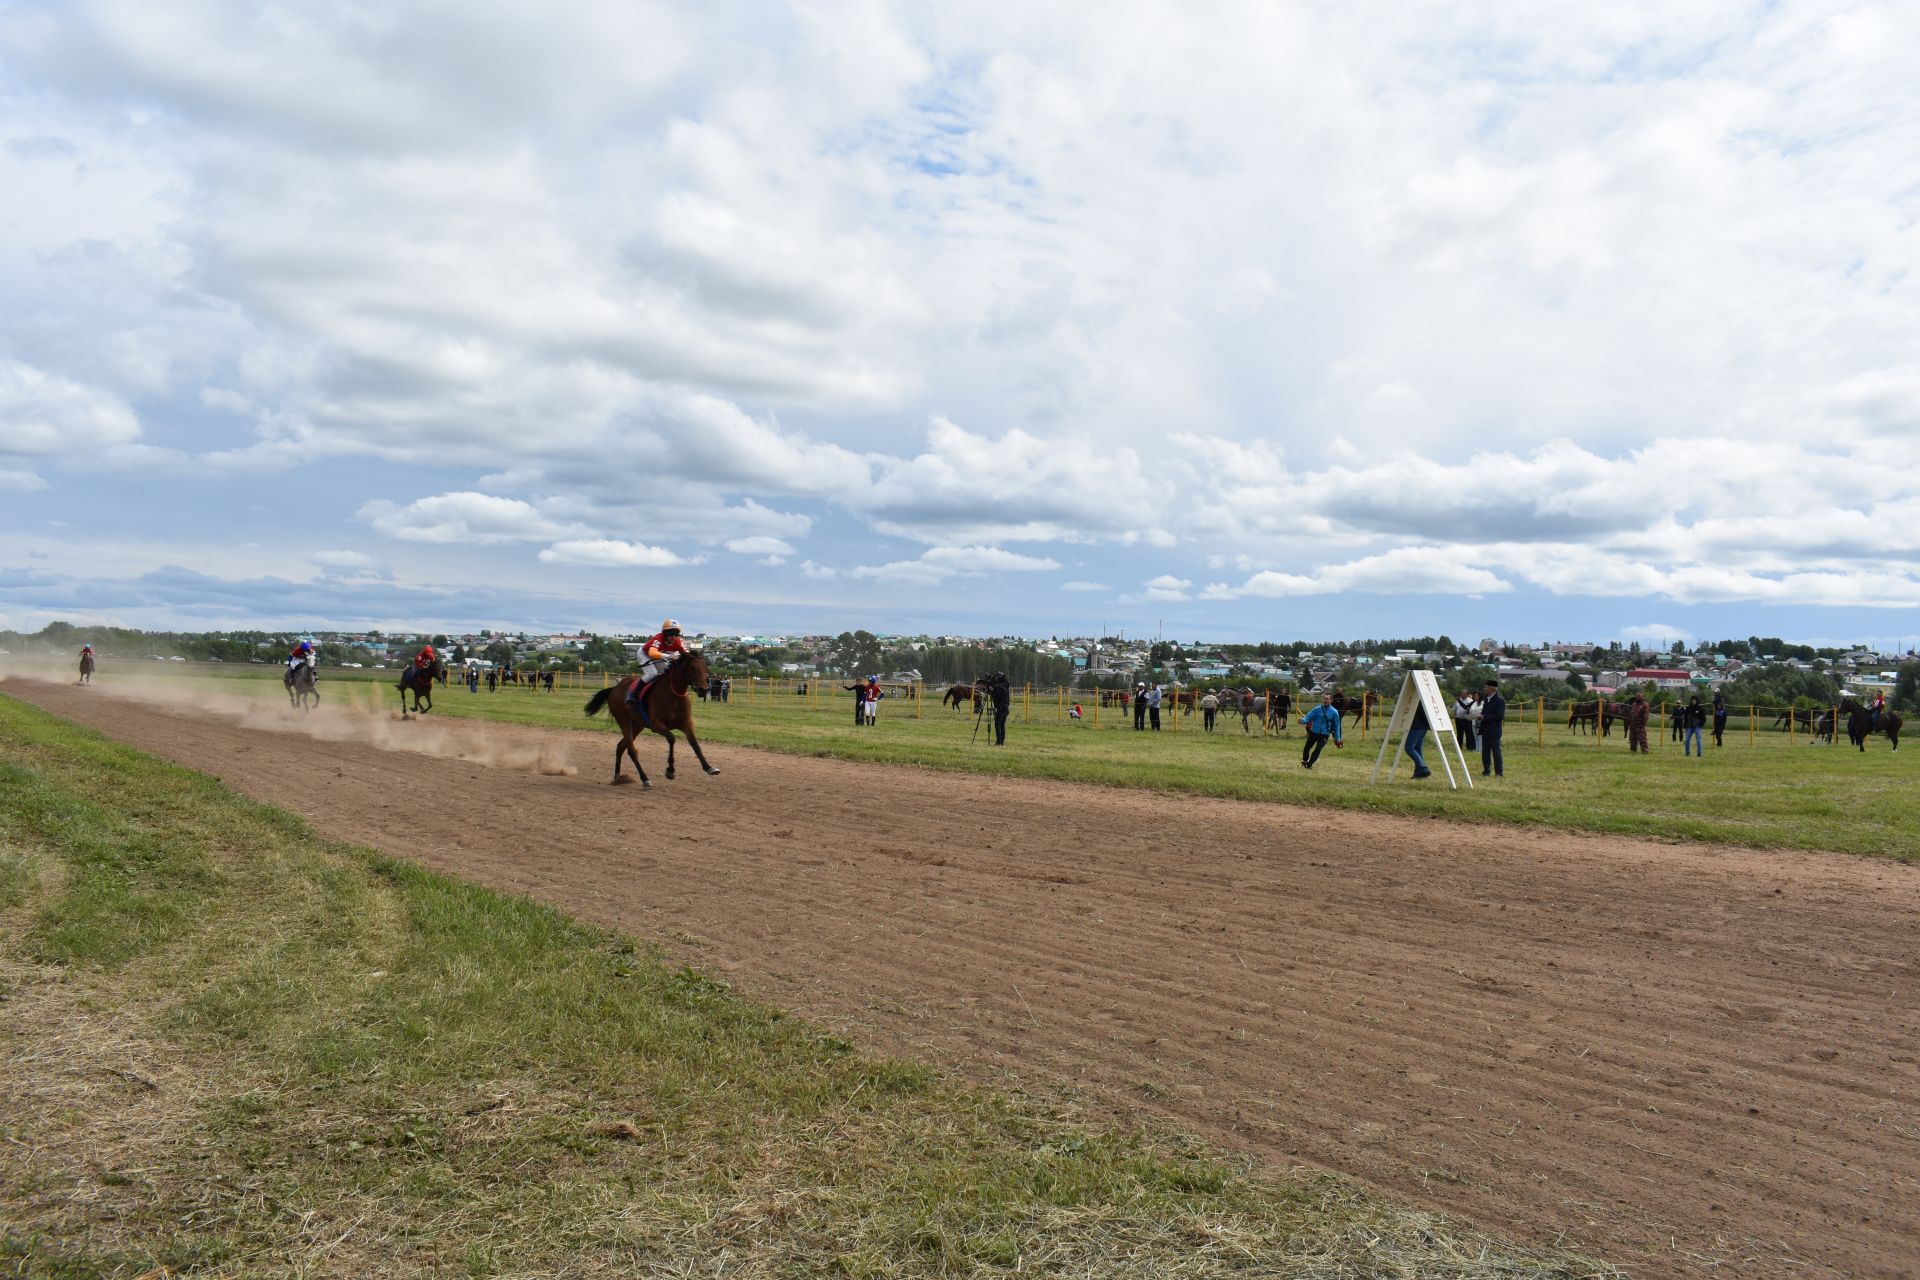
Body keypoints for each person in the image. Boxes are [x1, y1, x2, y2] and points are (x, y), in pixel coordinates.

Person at [627, 619, 686, 709]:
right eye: (671, 634)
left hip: (657, 655)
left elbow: (686, 653)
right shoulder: (658, 638)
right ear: (665, 634)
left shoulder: (678, 642)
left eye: (676, 634)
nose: (673, 637)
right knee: (652, 673)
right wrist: (669, 656)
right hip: (645, 654)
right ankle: (633, 695)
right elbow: (652, 653)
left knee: (665, 673)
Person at [1300, 691, 1342, 768]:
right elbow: (1308, 717)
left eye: (1327, 699)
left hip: (1324, 734)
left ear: (1331, 700)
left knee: (1318, 749)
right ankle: (1305, 761)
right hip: (1313, 732)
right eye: (1324, 698)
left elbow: (1337, 726)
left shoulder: (1334, 712)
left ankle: (1309, 765)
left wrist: (1338, 739)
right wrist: (1303, 720)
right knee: (1307, 748)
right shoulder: (1317, 709)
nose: (1325, 700)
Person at [1479, 680, 1505, 777]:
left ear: (1491, 688)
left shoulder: (1499, 701)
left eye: (1486, 687)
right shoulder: (1486, 699)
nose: (1484, 689)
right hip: (1485, 729)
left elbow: (1499, 716)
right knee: (1485, 752)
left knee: (1496, 752)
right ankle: (1486, 770)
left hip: (1494, 731)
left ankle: (1499, 772)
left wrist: (1485, 717)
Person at [1403, 698, 1432, 779]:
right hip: (1421, 726)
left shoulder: (1418, 699)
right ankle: (1419, 772)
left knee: (1409, 747)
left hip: (1417, 726)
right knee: (1417, 749)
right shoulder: (1422, 698)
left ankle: (1423, 768)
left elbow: (1423, 713)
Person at [990, 672, 1011, 746]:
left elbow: (996, 696)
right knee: (1002, 725)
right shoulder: (1005, 685)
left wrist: (992, 691)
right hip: (1006, 707)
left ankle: (999, 742)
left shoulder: (1000, 687)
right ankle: (1002, 741)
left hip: (1001, 707)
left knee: (997, 724)